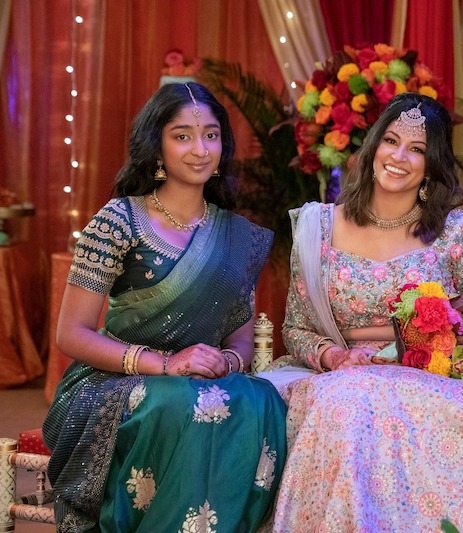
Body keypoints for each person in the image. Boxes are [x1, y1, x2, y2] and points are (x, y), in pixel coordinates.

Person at [258, 92, 463, 532]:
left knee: (418, 410)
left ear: (433, 166)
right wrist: (335, 358)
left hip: (435, 382)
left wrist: (439, 359)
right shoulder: (319, 228)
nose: (399, 156)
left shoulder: (454, 231)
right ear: (372, 148)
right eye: (391, 140)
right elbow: (295, 328)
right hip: (340, 378)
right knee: (349, 402)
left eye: (417, 149)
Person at [42, 82, 287, 532]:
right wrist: (164, 363)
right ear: (156, 146)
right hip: (114, 380)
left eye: (211, 135)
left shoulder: (239, 236)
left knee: (262, 400)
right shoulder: (119, 220)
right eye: (182, 136)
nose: (200, 149)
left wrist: (224, 360)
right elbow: (71, 334)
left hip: (201, 379)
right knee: (175, 403)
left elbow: (240, 339)